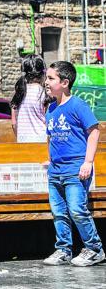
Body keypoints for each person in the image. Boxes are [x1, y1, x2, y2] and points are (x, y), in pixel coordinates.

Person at [42, 61, 104, 267]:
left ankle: (95, 249)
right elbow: (51, 137)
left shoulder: (78, 105)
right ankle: (63, 249)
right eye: (47, 78)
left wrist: (88, 161)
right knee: (59, 212)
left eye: (51, 78)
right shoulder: (50, 108)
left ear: (65, 82)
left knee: (77, 210)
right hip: (56, 171)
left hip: (75, 169)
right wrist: (50, 160)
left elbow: (94, 131)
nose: (46, 82)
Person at [10, 54, 48, 143]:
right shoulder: (44, 93)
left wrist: (21, 137)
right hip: (42, 141)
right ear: (43, 73)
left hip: (23, 142)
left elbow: (14, 124)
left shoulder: (18, 95)